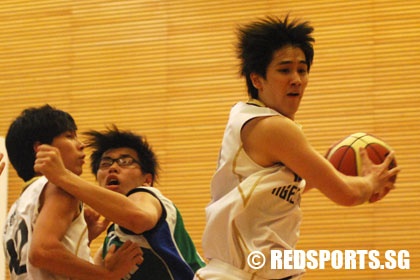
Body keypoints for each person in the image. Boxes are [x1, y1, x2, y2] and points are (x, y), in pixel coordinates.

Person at [193, 15, 400, 280]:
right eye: (284, 69)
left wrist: (323, 173)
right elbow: (346, 194)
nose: (296, 79)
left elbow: (280, 189)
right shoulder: (272, 127)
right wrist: (371, 182)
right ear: (257, 79)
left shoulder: (251, 120)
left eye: (302, 70)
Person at [34, 125, 206, 280]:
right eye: (105, 163)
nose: (113, 167)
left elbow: (139, 219)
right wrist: (86, 237)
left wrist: (63, 176)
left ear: (147, 179)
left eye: (125, 162)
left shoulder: (147, 196)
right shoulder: (110, 242)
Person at [3, 105, 143, 280]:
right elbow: (42, 252)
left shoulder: (17, 207)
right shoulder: (60, 187)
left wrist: (83, 236)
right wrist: (108, 274)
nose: (81, 144)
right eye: (69, 136)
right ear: (41, 149)